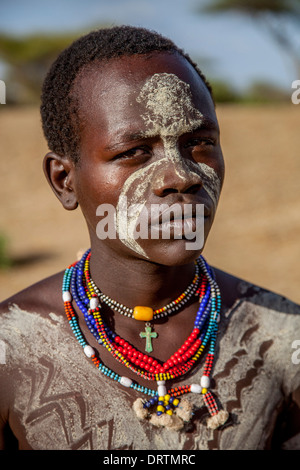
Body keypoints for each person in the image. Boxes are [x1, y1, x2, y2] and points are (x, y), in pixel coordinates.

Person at [0, 25, 299, 451]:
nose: (182, 175)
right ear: (65, 180)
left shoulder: (283, 338)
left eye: (199, 143)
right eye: (134, 151)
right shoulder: (13, 350)